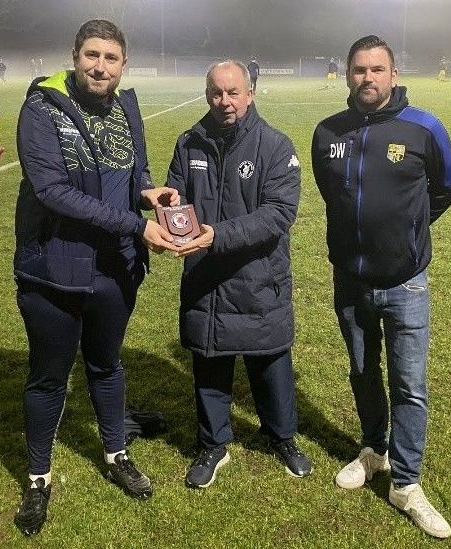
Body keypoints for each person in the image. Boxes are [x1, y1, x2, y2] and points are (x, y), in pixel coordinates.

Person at [12, 19, 180, 536]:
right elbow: (54, 191)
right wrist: (137, 223)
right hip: (55, 270)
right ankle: (38, 479)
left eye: (110, 58)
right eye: (91, 55)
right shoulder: (41, 109)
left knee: (107, 366)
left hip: (116, 268)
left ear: (123, 63)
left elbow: (136, 172)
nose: (100, 66)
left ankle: (116, 454)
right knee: (48, 376)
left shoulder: (127, 106)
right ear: (75, 56)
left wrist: (148, 194)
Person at [311, 35, 451, 539]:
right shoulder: (328, 131)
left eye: (377, 70)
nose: (367, 79)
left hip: (406, 283)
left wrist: (409, 232)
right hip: (349, 281)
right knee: (361, 371)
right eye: (358, 70)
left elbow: (446, 188)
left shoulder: (424, 127)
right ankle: (373, 451)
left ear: (393, 74)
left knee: (409, 387)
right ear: (347, 74)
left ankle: (406, 483)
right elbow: (331, 193)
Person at [165, 60, 313, 489]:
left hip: (257, 278)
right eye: (216, 93)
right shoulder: (189, 142)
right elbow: (177, 195)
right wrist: (172, 213)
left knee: (270, 361)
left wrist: (217, 235)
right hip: (206, 279)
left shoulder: (275, 146)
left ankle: (282, 436)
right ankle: (213, 444)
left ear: (250, 94)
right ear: (207, 93)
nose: (224, 102)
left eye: (233, 93)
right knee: (209, 361)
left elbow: (279, 214)